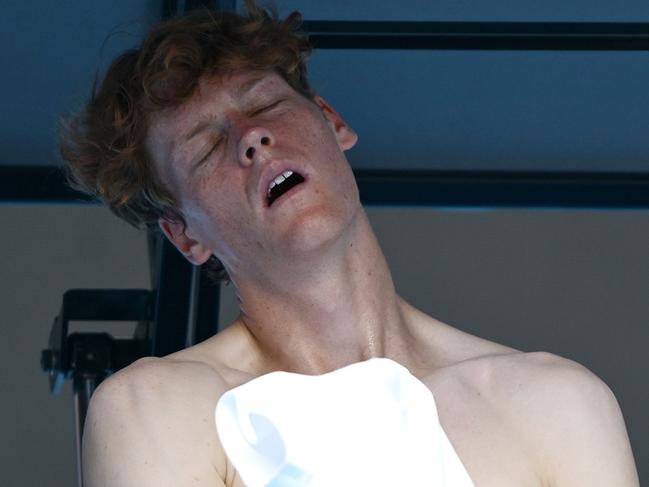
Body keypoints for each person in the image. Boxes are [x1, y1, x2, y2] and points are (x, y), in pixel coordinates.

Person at [61, 2, 639, 486]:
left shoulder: (559, 404)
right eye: (205, 146)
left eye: (265, 105)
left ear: (333, 122)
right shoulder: (156, 408)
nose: (252, 138)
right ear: (186, 236)